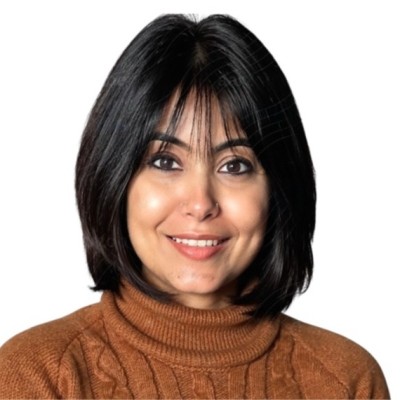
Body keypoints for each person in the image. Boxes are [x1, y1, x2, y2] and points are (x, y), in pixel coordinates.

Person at [0, 14, 389, 399]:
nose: (200, 204)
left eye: (234, 166)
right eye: (165, 161)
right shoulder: (38, 376)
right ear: (114, 177)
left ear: (279, 188)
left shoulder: (345, 380)